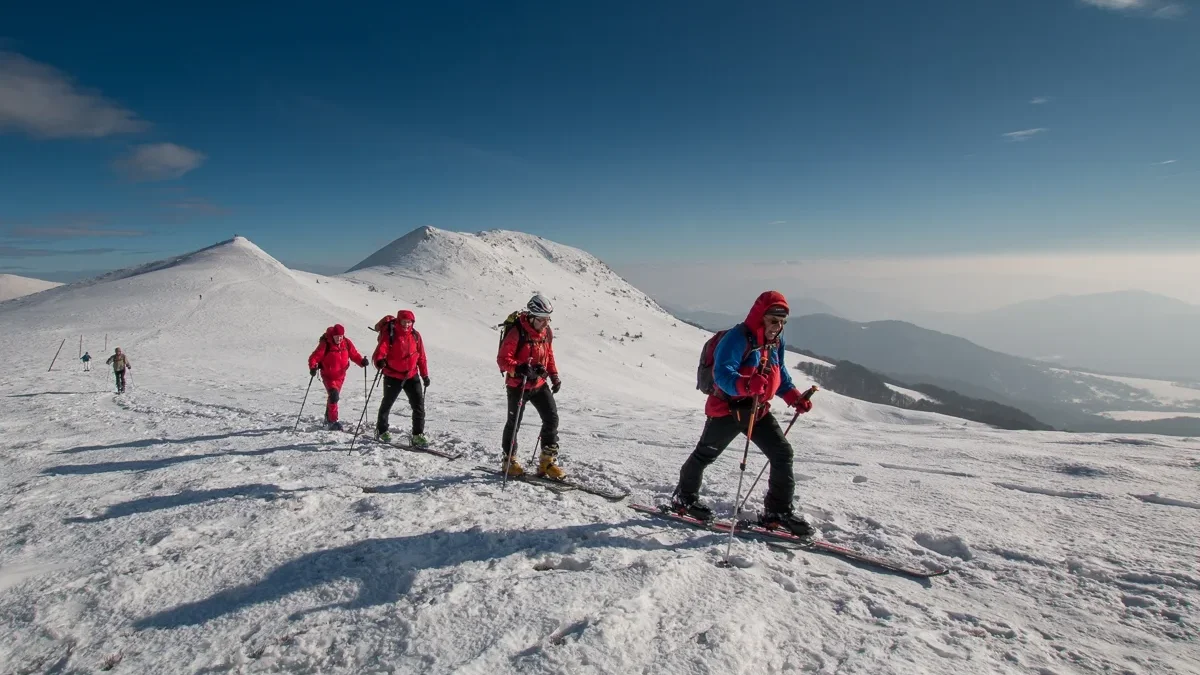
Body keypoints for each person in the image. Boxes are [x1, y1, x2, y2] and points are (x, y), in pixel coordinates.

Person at [671, 290, 816, 537]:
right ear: (761, 316)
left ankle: (777, 512)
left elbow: (778, 374)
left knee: (782, 453)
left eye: (782, 322)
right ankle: (684, 498)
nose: (778, 327)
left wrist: (795, 397)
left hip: (756, 410)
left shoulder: (776, 342)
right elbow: (722, 374)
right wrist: (747, 385)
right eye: (773, 320)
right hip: (726, 410)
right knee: (705, 454)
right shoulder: (737, 339)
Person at [496, 294, 564, 479]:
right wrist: (519, 368)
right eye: (542, 320)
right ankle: (509, 461)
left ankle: (547, 461)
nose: (545, 323)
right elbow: (502, 360)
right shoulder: (517, 332)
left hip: (539, 384)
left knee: (551, 419)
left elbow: (548, 355)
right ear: (532, 317)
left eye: (547, 319)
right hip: (518, 385)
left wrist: (554, 376)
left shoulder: (546, 333)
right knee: (514, 423)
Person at [372, 310, 430, 446]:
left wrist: (425, 375)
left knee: (418, 406)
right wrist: (379, 361)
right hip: (393, 375)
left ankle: (417, 434)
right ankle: (381, 431)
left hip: (411, 375)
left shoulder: (415, 336)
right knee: (387, 404)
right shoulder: (390, 334)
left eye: (409, 322)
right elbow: (380, 351)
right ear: (399, 321)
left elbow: (421, 357)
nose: (406, 324)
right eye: (404, 321)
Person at [308, 324, 368, 431]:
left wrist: (361, 362)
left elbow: (354, 355)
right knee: (334, 395)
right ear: (332, 336)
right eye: (337, 336)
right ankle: (332, 421)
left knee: (333, 398)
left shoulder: (346, 343)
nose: (339, 338)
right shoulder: (326, 344)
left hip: (341, 376)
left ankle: (328, 416)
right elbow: (314, 357)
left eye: (341, 336)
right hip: (328, 376)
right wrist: (313, 367)